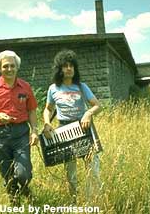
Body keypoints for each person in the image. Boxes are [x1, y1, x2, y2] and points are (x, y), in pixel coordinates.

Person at [0, 50, 38, 206]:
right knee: (7, 175)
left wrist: (34, 132)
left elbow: (32, 110)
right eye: (5, 66)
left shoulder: (25, 87)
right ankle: (15, 203)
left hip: (21, 134)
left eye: (12, 66)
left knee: (23, 174)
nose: (9, 69)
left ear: (17, 67)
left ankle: (25, 189)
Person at [43, 49, 102, 204]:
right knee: (70, 172)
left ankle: (93, 201)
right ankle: (73, 201)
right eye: (65, 66)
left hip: (84, 128)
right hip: (64, 131)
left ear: (75, 69)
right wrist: (47, 123)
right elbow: (48, 109)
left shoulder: (82, 87)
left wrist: (88, 114)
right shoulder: (53, 88)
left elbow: (97, 105)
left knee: (93, 168)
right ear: (60, 69)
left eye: (71, 66)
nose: (69, 68)